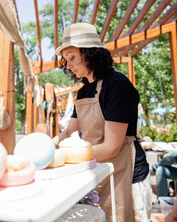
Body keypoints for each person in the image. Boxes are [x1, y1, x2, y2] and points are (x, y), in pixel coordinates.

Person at [52, 22, 148, 221]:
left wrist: (64, 156)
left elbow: (112, 147)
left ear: (90, 54)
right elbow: (70, 130)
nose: (68, 65)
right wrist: (52, 144)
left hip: (127, 175)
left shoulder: (117, 86)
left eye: (72, 58)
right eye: (65, 60)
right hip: (100, 171)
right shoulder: (83, 91)